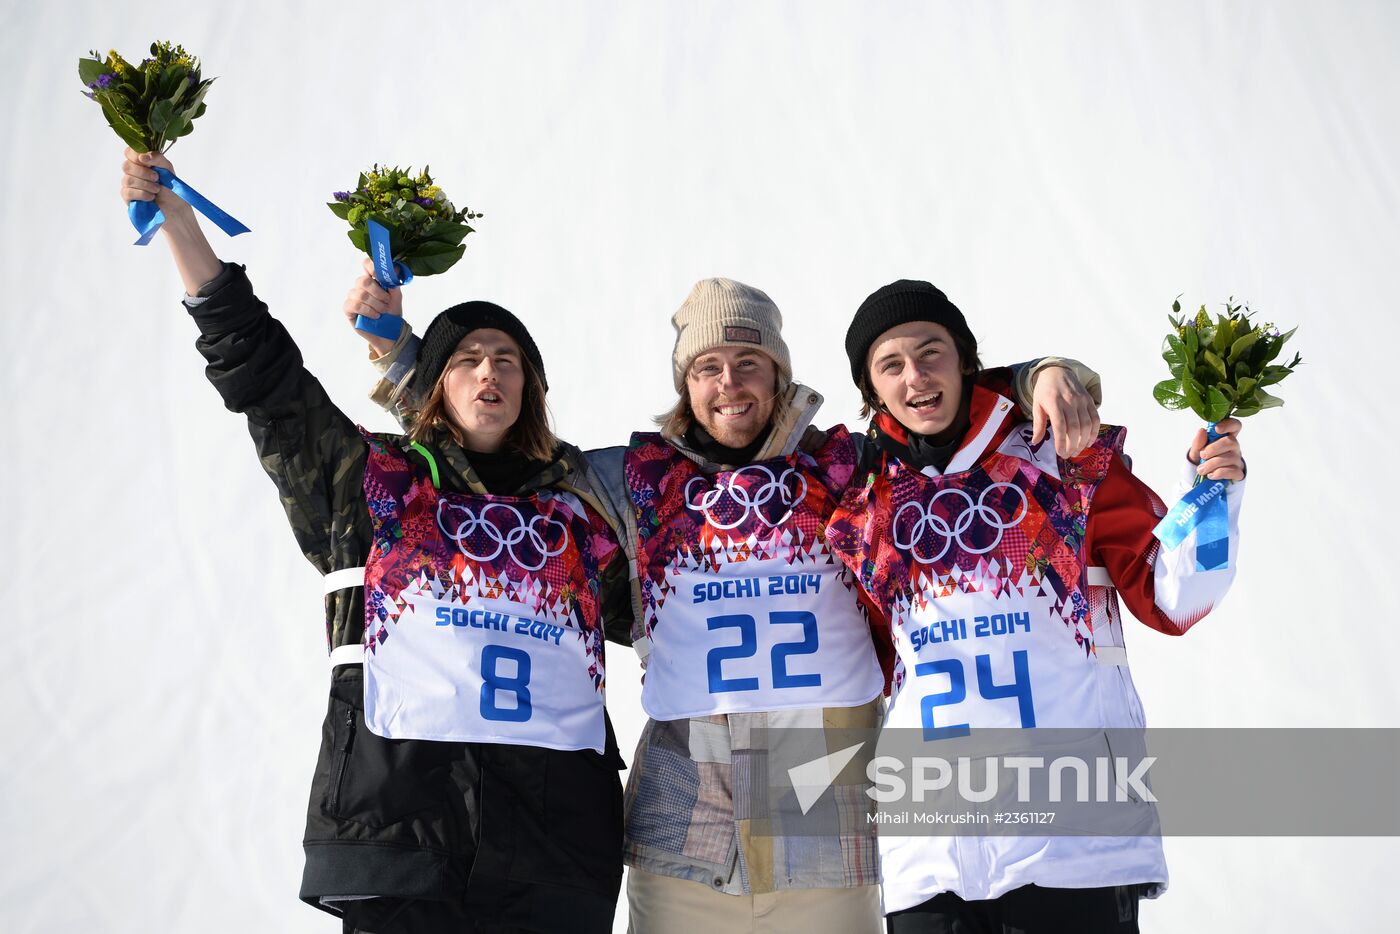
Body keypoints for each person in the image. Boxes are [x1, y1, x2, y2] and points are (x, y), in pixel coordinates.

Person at [351, 275, 1103, 933]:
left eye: (750, 363)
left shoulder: (845, 464)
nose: (730, 383)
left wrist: (1043, 373)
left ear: (779, 376)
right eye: (708, 368)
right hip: (685, 808)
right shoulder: (634, 480)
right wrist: (402, 355)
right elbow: (506, 448)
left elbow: (933, 408)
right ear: (687, 385)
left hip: (824, 797)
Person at [120, 148, 632, 934]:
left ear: (529, 390)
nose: (489, 371)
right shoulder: (370, 482)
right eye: (465, 360)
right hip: (398, 840)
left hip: (556, 855)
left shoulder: (581, 519)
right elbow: (262, 377)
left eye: (508, 362)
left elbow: (687, 609)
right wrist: (181, 224)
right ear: (435, 385)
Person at [826, 280, 1247, 934]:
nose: (916, 377)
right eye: (891, 365)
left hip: (1074, 847)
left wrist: (1212, 500)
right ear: (870, 389)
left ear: (966, 358)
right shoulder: (863, 508)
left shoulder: (1064, 461)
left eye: (931, 352)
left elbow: (1174, 595)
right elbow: (866, 663)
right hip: (928, 861)